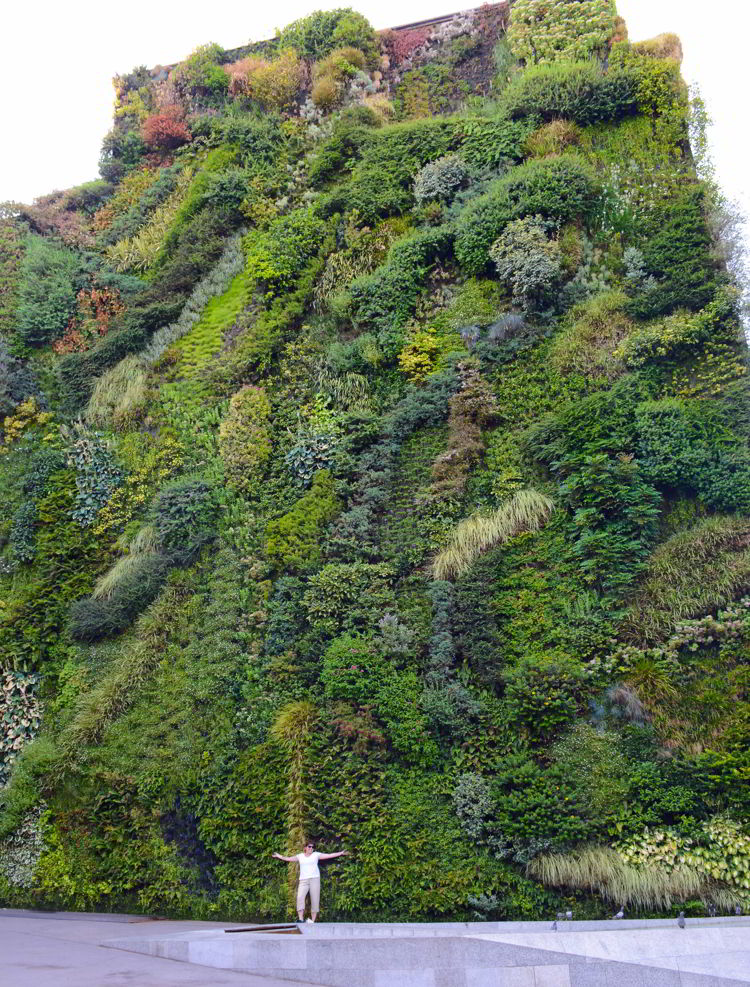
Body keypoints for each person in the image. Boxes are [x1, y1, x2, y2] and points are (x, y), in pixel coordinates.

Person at [272, 841, 349, 923]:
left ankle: (312, 921)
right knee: (300, 898)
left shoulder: (316, 855)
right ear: (305, 847)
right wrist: (278, 855)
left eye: (313, 847)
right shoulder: (300, 856)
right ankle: (300, 919)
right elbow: (288, 858)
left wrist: (341, 853)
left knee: (315, 899)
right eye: (309, 846)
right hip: (303, 880)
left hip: (314, 879)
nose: (311, 848)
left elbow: (329, 855)